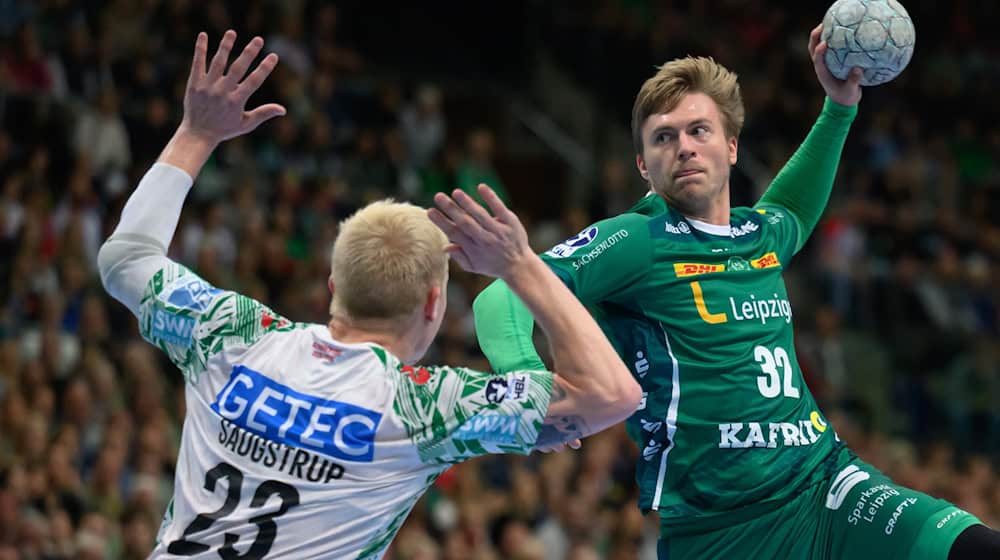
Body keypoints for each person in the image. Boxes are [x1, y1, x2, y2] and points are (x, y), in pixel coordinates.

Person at [97, 31, 640, 559]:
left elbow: (125, 260)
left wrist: (195, 133)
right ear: (434, 305)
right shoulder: (422, 408)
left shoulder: (232, 334)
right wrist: (521, 265)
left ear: (335, 287)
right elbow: (610, 394)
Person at [472, 24, 1000, 559]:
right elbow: (500, 295)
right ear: (642, 166)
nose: (683, 147)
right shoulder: (638, 239)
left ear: (731, 146)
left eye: (698, 131)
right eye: (663, 137)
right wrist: (529, 384)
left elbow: (793, 206)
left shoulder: (759, 234)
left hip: (826, 487)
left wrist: (839, 106)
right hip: (720, 531)